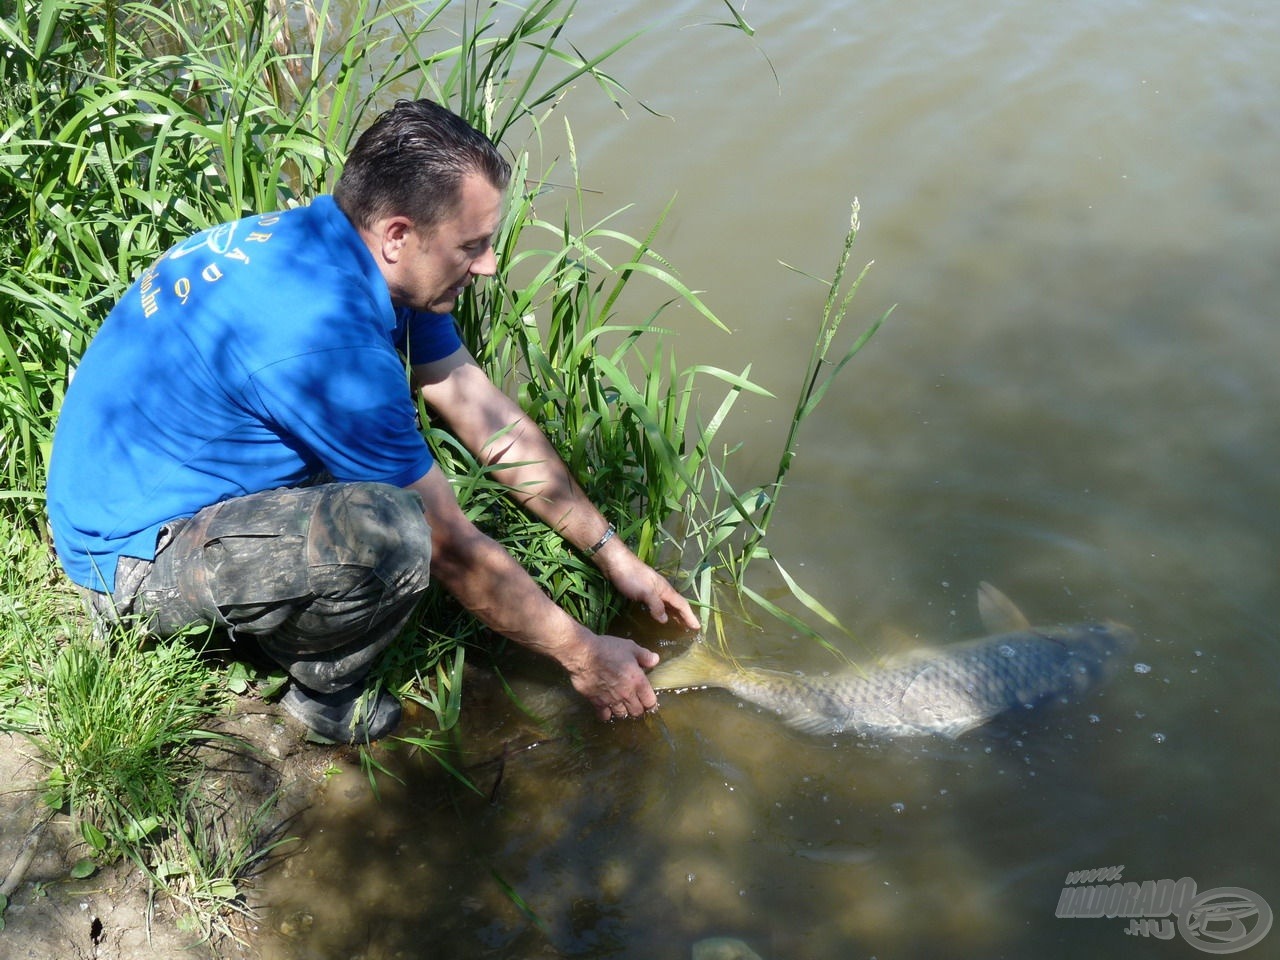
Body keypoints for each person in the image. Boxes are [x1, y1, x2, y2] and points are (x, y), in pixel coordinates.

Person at [46, 98, 700, 743]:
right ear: (397, 234)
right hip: (132, 556)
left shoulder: (343, 250)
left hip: (146, 474)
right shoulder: (328, 341)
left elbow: (484, 415)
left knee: (389, 485)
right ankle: (323, 693)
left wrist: (615, 557)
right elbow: (451, 546)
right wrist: (585, 655)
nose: (490, 265)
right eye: (472, 246)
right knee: (396, 532)